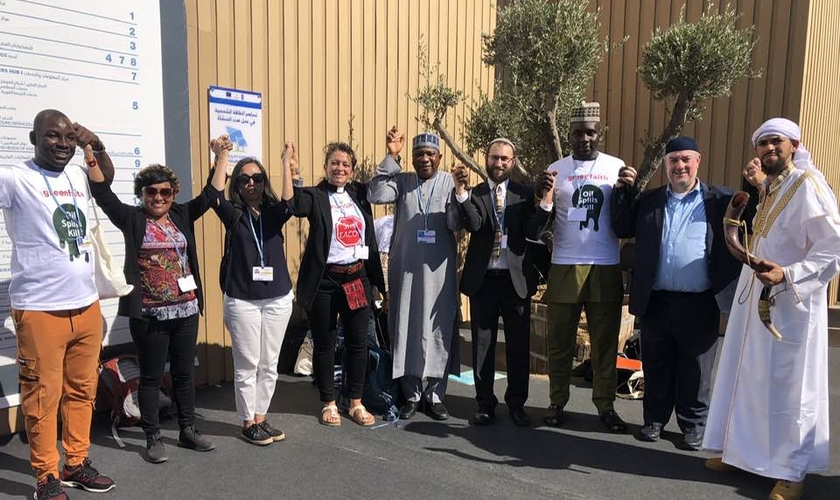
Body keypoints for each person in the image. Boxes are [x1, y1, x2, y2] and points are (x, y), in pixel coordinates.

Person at [702, 118, 840, 500]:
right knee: (748, 379)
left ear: (794, 144)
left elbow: (833, 247)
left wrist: (789, 274)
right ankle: (742, 454)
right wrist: (759, 187)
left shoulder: (809, 185)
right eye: (762, 144)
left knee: (790, 390)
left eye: (775, 141)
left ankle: (791, 471)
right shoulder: (773, 189)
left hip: (791, 304)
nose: (768, 149)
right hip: (756, 301)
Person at [88, 137, 228, 464]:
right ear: (142, 194)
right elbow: (103, 195)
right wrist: (90, 153)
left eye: (165, 192)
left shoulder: (181, 214)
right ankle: (152, 436)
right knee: (151, 377)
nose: (159, 197)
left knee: (182, 374)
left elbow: (211, 195)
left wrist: (221, 156)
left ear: (173, 194)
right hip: (149, 314)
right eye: (152, 192)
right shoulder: (133, 219)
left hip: (186, 310)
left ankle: (188, 429)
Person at [1, 109, 116, 499]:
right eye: (53, 136)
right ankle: (46, 475)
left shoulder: (78, 173)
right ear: (34, 138)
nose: (62, 143)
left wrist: (93, 142)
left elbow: (109, 179)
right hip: (39, 308)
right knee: (42, 397)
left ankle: (76, 463)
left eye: (69, 137)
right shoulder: (15, 178)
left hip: (86, 306)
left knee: (83, 390)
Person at [610, 136, 741, 449]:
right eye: (673, 160)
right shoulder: (651, 200)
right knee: (656, 365)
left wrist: (753, 184)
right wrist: (622, 194)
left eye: (686, 159)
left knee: (696, 369)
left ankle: (694, 426)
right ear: (666, 166)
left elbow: (749, 219)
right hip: (657, 300)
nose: (679, 165)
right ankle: (654, 420)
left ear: (697, 161)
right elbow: (622, 227)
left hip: (700, 301)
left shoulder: (719, 200)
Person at [530, 102, 629, 433]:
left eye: (590, 132)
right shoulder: (555, 169)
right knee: (560, 340)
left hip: (605, 265)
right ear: (570, 137)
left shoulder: (616, 166)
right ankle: (557, 400)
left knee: (604, 341)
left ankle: (606, 405)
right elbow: (541, 220)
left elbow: (626, 216)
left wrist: (631, 190)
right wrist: (543, 196)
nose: (584, 138)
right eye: (578, 133)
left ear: (599, 134)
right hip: (564, 265)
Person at [367, 128, 462, 420]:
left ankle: (435, 395)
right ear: (412, 157)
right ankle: (411, 394)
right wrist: (391, 155)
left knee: (438, 329)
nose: (424, 159)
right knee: (405, 326)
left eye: (430, 154)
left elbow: (457, 224)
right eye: (418, 154)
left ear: (439, 157)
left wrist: (460, 193)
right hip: (405, 269)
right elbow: (375, 193)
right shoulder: (403, 181)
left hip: (439, 271)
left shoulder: (448, 182)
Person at [289, 142, 386, 427]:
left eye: (345, 164)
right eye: (334, 163)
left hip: (356, 278)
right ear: (326, 167)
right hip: (326, 281)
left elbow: (381, 187)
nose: (339, 168)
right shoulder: (315, 195)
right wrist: (293, 174)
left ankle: (355, 401)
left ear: (352, 170)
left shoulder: (359, 194)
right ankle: (328, 402)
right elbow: (294, 205)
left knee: (358, 343)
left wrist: (392, 155)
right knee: (325, 343)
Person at [209, 139, 294, 445]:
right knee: (247, 363)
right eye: (244, 179)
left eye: (257, 178)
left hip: (277, 298)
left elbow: (289, 202)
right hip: (243, 300)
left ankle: (261, 416)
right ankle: (247, 422)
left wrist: (285, 162)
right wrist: (223, 157)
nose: (251, 183)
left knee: (269, 363)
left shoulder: (272, 213)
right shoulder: (234, 214)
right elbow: (213, 194)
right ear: (238, 184)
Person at [453, 138, 536, 427]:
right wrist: (461, 193)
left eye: (504, 159)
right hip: (484, 280)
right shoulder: (473, 194)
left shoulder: (525, 195)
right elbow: (474, 225)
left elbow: (533, 229)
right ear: (486, 159)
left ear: (513, 162)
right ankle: (485, 403)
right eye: (494, 158)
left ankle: (517, 404)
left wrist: (547, 202)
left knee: (518, 346)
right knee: (483, 346)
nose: (499, 163)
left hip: (515, 281)